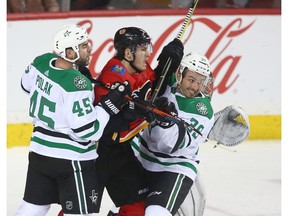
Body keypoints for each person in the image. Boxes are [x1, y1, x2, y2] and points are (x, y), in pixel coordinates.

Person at [15, 24, 129, 216]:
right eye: (83, 46)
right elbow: (88, 131)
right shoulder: (77, 83)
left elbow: (26, 86)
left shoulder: (41, 61)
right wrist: (106, 107)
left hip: (39, 154)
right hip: (70, 160)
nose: (90, 49)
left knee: (32, 208)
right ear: (69, 52)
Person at [94, 27, 184, 216]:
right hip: (94, 154)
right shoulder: (114, 74)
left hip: (119, 151)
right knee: (78, 210)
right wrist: (141, 112)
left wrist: (168, 63)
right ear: (128, 53)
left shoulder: (140, 69)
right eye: (143, 49)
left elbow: (152, 90)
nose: (148, 53)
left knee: (138, 206)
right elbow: (108, 124)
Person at [129, 51, 215, 216]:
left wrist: (164, 118)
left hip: (174, 168)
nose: (195, 87)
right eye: (191, 80)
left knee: (155, 213)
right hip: (143, 161)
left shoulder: (201, 109)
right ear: (179, 74)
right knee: (123, 211)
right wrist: (165, 61)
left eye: (200, 82)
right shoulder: (166, 84)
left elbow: (169, 145)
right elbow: (146, 80)